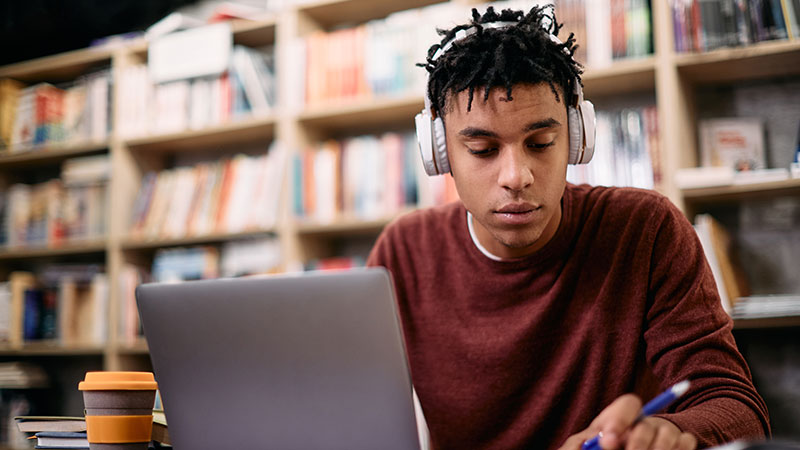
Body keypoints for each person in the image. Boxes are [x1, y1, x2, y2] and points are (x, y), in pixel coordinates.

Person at [366, 5, 770, 450]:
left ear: (577, 139)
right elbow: (353, 415)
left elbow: (737, 407)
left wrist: (671, 433)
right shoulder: (403, 254)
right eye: (482, 150)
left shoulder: (645, 230)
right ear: (440, 154)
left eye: (540, 144)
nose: (516, 176)